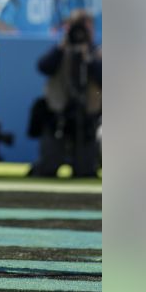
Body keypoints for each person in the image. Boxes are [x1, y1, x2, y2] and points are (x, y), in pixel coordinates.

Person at [29, 11, 101, 177]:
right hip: (58, 115)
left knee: (85, 171)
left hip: (87, 117)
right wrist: (62, 47)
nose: (82, 34)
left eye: (87, 29)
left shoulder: (97, 53)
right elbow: (43, 67)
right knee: (48, 168)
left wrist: (89, 58)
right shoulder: (60, 50)